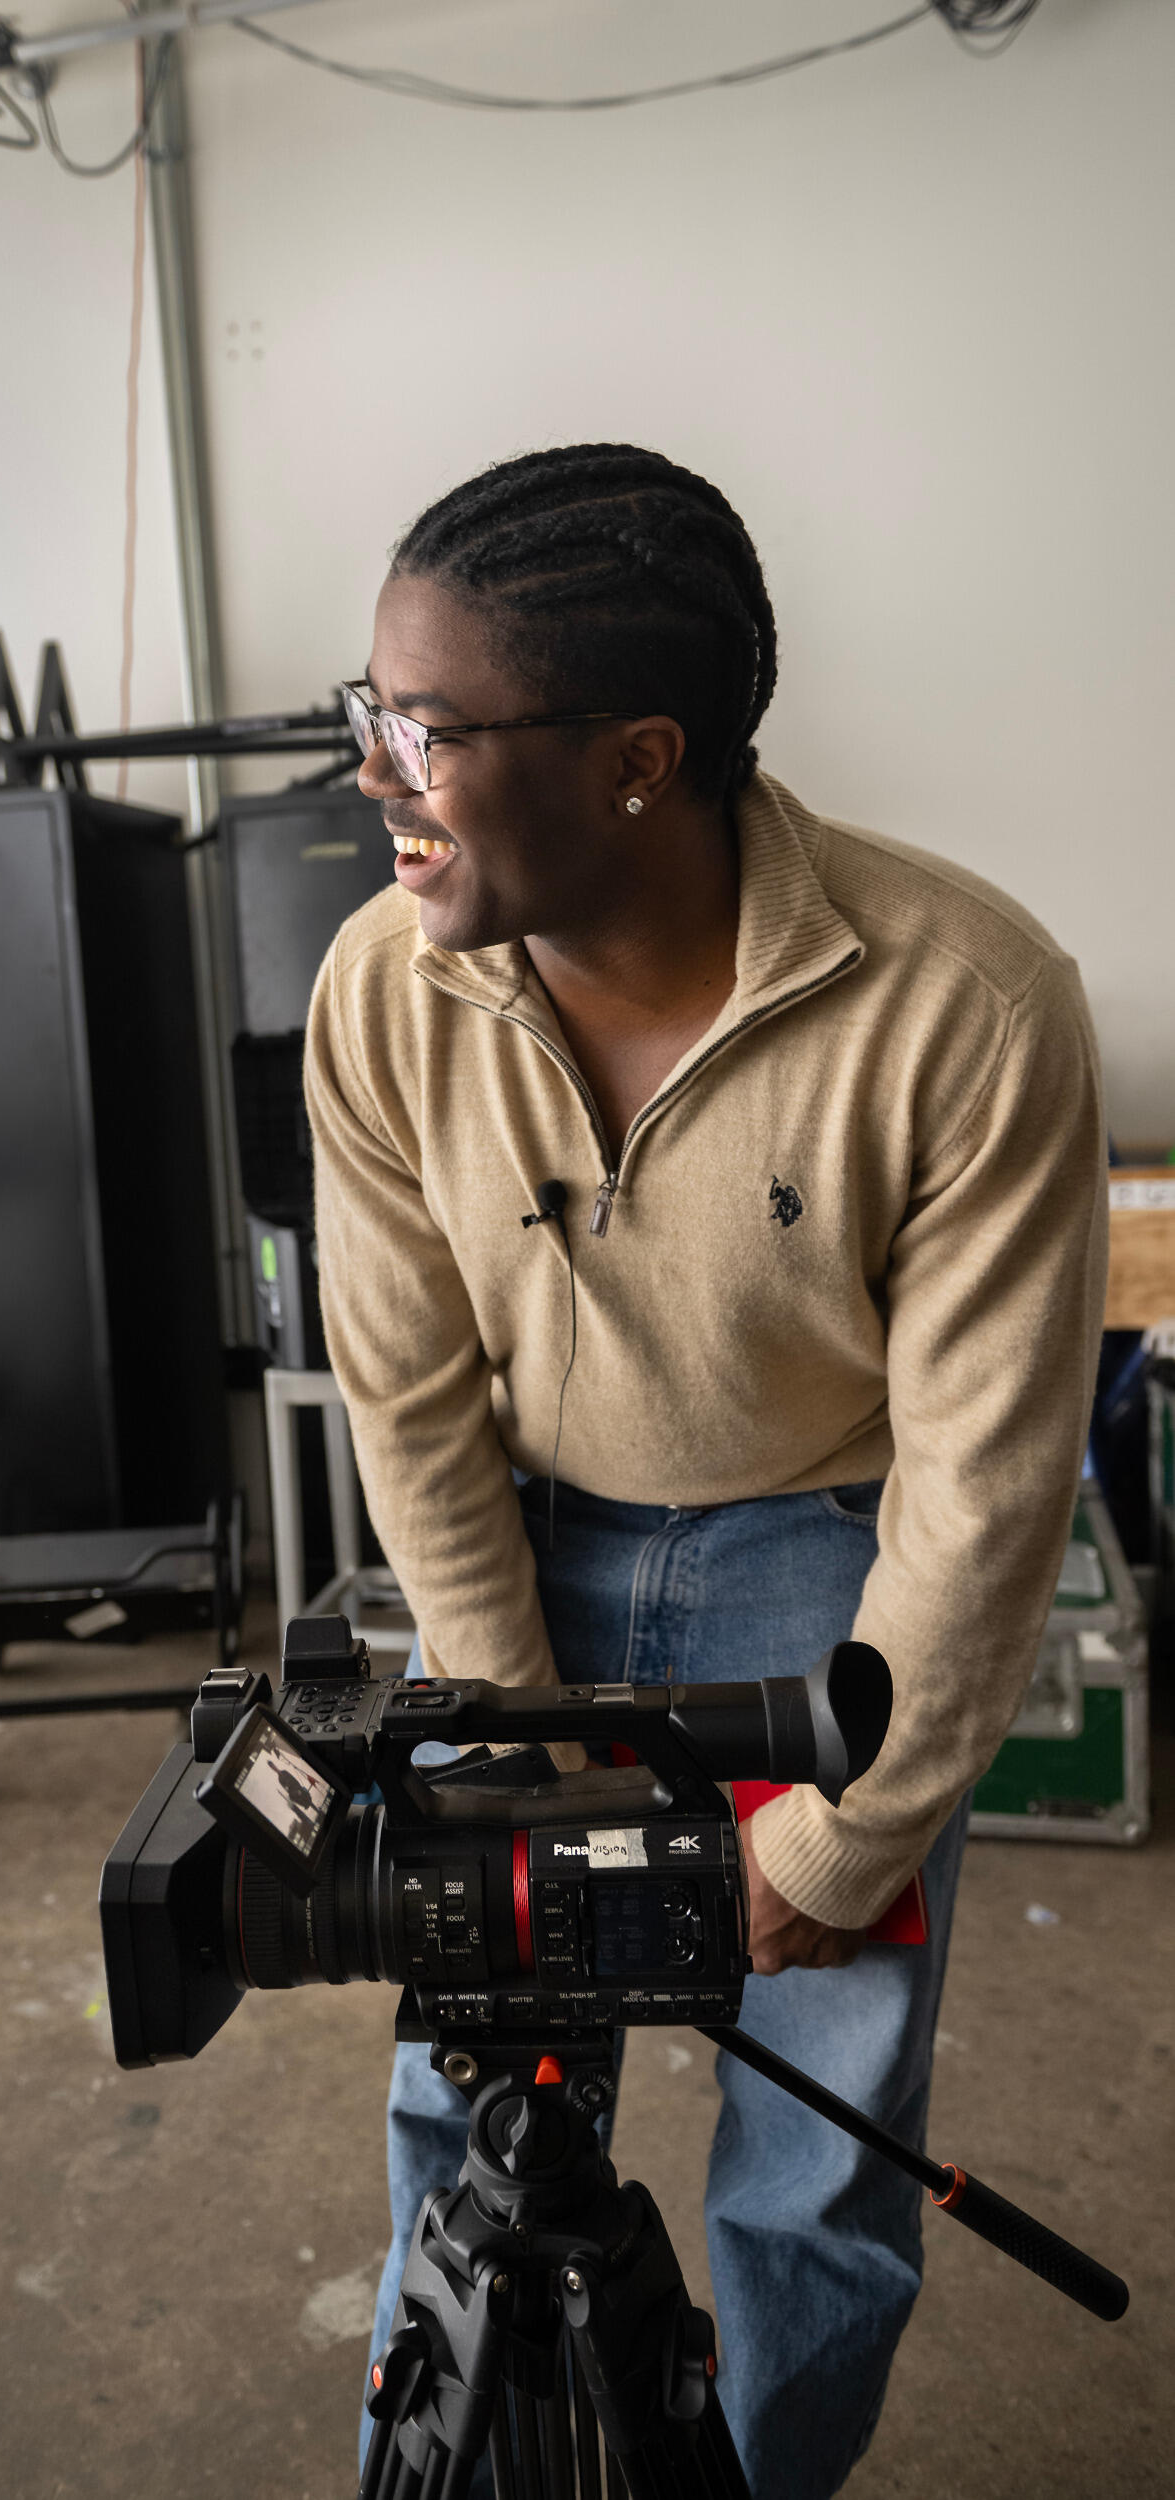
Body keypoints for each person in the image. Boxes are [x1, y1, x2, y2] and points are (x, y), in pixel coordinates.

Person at [303, 443, 1107, 2499]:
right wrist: (508, 1729)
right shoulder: (381, 994)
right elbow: (405, 1398)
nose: (374, 772)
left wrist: (845, 1836)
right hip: (525, 1565)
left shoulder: (967, 1002)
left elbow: (984, 1474)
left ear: (638, 758)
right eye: (366, 711)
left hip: (825, 1595)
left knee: (816, 2164)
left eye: (428, 728)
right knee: (474, 2099)